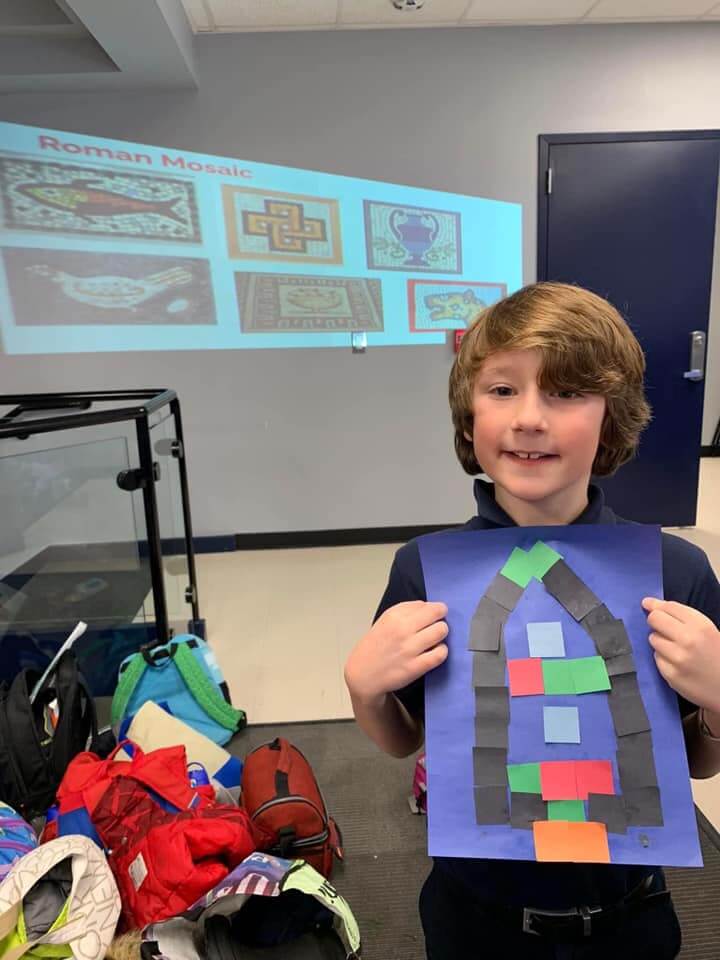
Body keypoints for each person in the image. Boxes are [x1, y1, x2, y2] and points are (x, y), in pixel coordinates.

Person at [344, 282, 720, 959]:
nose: (530, 418)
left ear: (614, 418)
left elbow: (696, 759)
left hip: (630, 912)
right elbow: (410, 742)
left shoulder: (676, 572)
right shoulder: (425, 573)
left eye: (567, 393)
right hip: (474, 913)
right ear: (468, 420)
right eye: (502, 390)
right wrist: (363, 690)